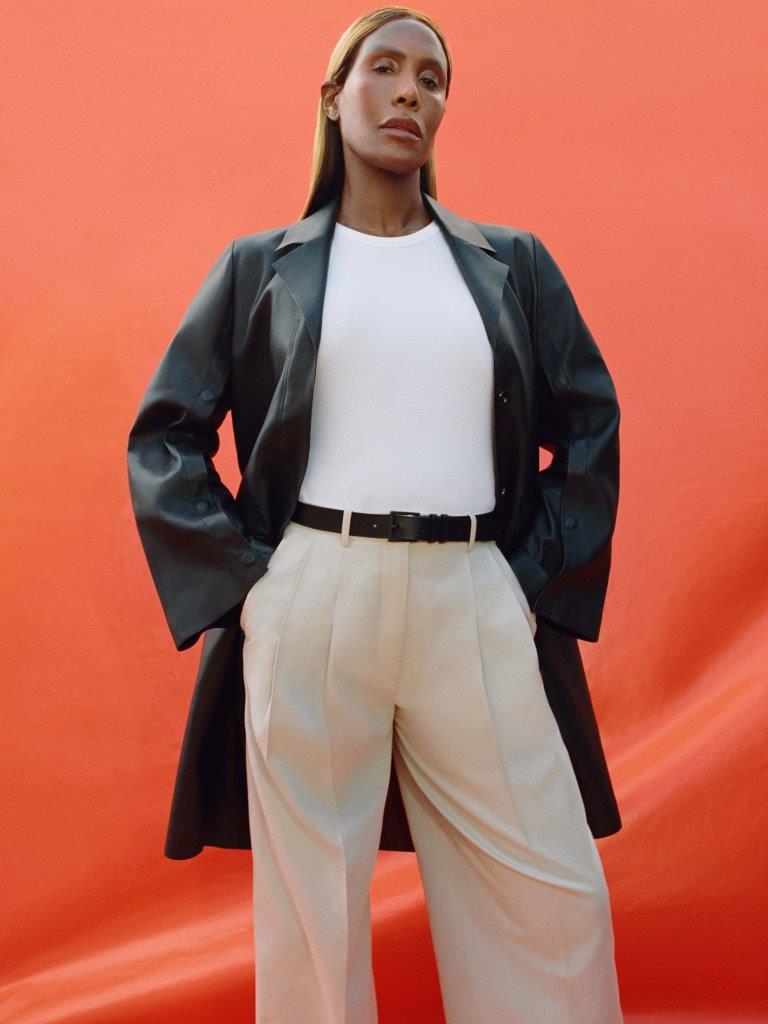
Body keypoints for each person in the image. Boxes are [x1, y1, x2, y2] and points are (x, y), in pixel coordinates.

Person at [127, 6, 625, 1023]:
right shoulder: (260, 266)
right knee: (313, 911)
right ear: (333, 96)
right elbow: (164, 433)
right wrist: (251, 586)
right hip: (314, 589)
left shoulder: (512, 264)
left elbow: (590, 423)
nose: (410, 92)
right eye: (385, 68)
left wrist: (528, 580)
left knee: (552, 895)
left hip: (474, 593)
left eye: (432, 79)